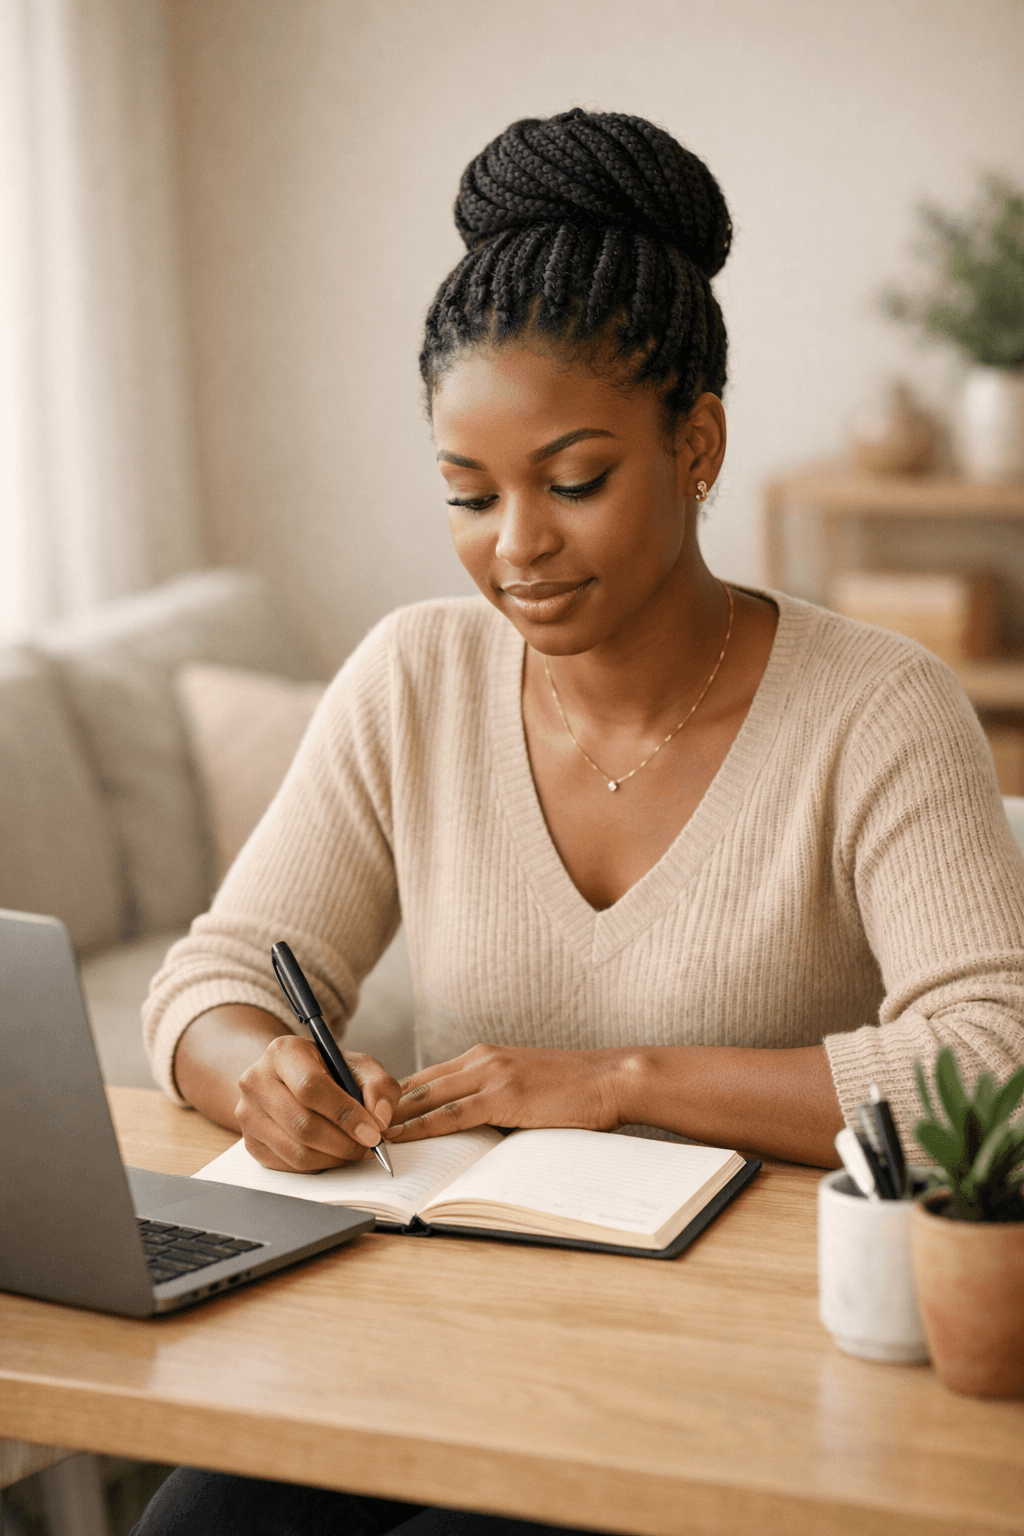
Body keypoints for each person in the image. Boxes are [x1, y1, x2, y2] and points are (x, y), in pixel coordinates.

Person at [133, 110, 1024, 1535]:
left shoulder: (882, 709)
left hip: (745, 1361)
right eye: (467, 495)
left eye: (574, 481)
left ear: (699, 441)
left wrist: (619, 1078)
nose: (518, 549)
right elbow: (213, 979)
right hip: (433, 1325)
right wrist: (252, 1075)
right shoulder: (413, 676)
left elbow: (997, 1069)